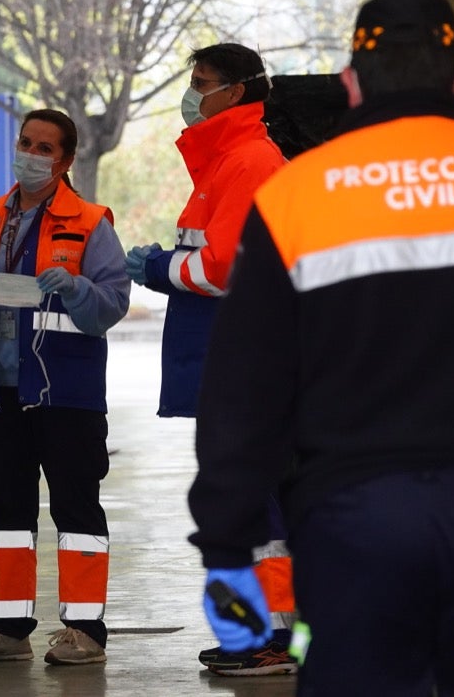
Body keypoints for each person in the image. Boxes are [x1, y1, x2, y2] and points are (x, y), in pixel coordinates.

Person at [188, 0, 454, 696]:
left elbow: (246, 387)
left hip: (356, 522)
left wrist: (226, 543)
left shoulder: (300, 194)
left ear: (353, 83)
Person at [0, 109, 130, 666]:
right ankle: (8, 628)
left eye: (45, 147)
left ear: (65, 161)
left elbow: (111, 306)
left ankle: (85, 630)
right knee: (10, 514)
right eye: (26, 142)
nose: (32, 154)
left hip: (67, 393)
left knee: (77, 512)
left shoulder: (90, 223)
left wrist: (75, 288)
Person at [124, 43, 295, 675]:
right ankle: (264, 636)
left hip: (242, 360)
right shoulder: (227, 160)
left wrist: (156, 267)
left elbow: (222, 268)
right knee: (250, 504)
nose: (192, 93)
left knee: (250, 506)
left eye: (202, 82)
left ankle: (267, 639)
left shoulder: (246, 162)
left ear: (239, 91)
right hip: (234, 358)